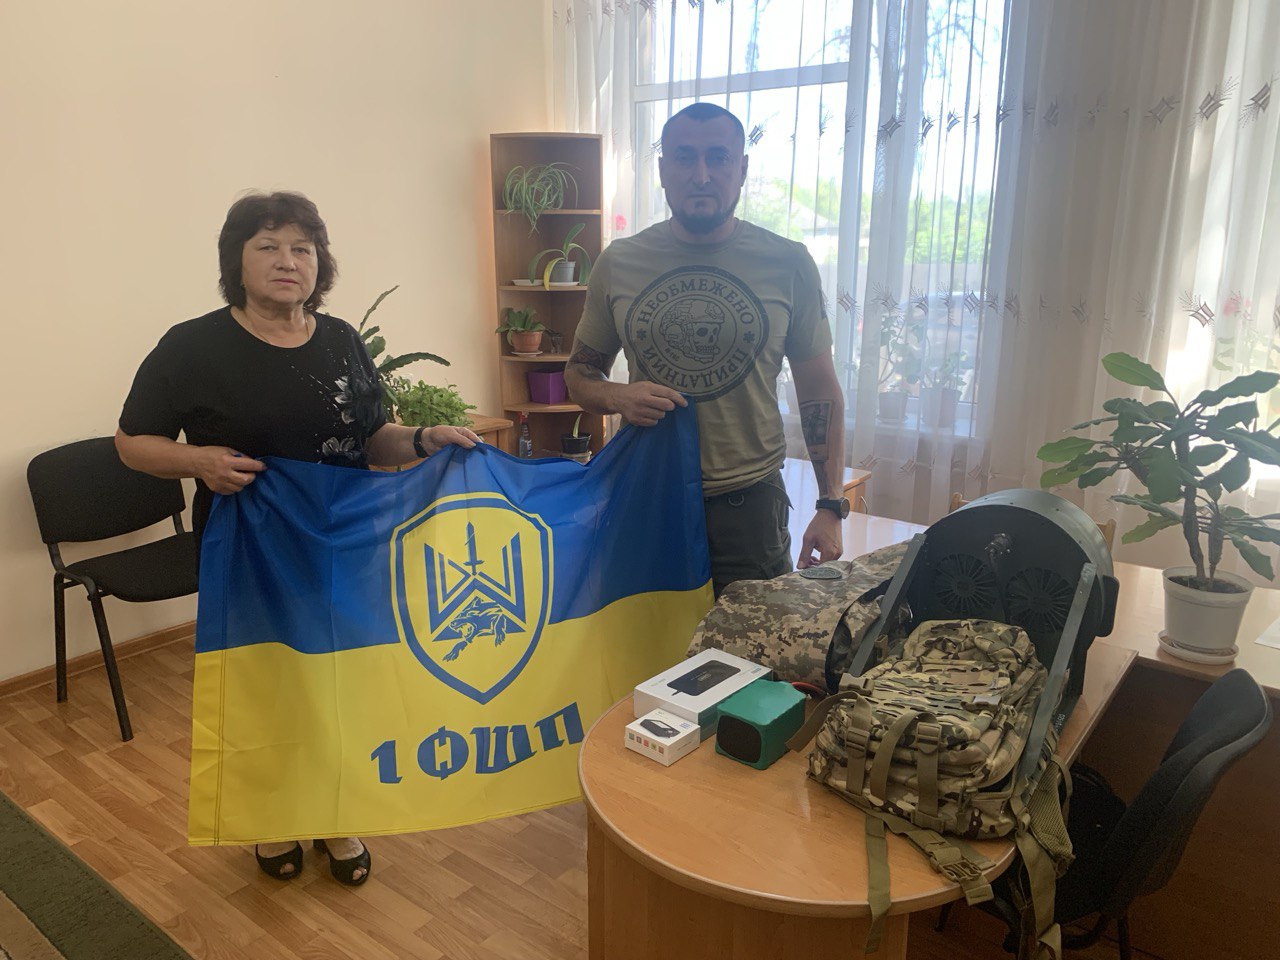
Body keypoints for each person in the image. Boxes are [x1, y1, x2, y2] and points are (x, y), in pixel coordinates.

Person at [116, 191, 480, 886]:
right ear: (236, 260)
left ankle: (335, 816)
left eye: (302, 249)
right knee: (269, 687)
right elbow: (132, 443)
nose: (288, 261)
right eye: (268, 246)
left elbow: (373, 438)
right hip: (249, 551)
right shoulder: (191, 347)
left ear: (320, 263)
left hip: (342, 546)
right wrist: (199, 461)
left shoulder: (340, 340)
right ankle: (272, 818)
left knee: (339, 687)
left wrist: (425, 438)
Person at [564, 102, 846, 597]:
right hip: (646, 496)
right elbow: (579, 374)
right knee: (648, 643)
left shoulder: (788, 263)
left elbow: (820, 390)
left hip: (750, 508)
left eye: (718, 157)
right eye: (684, 157)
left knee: (755, 644)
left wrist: (831, 506)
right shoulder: (619, 262)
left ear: (742, 169)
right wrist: (619, 397)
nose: (701, 175)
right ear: (663, 171)